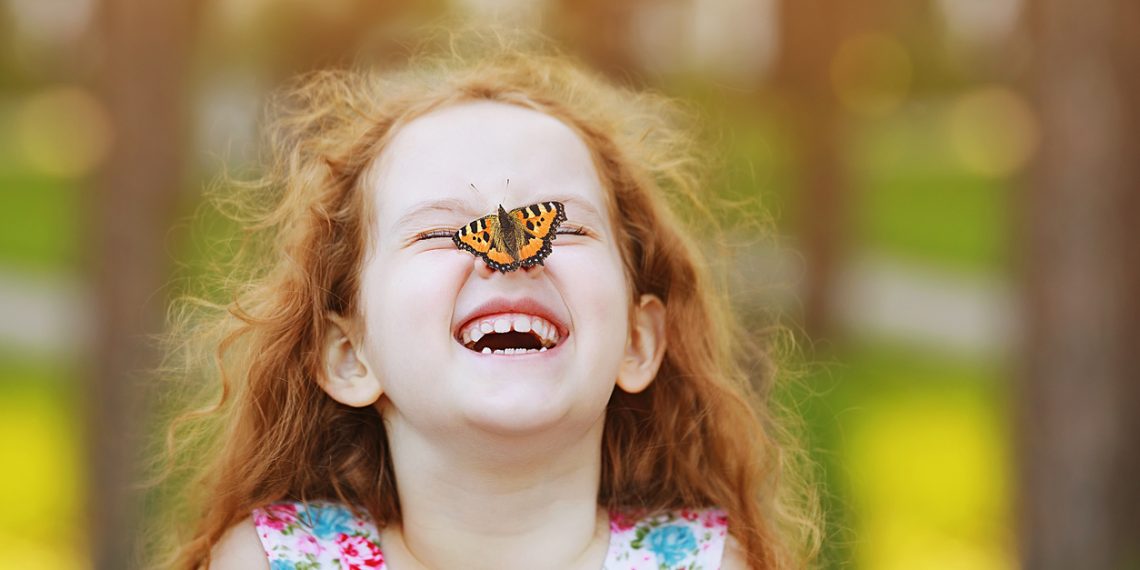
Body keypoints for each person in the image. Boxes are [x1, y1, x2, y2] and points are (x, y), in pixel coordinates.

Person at [150, 31, 820, 570]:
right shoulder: (275, 561)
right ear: (349, 355)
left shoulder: (704, 564)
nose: (512, 255)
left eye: (561, 226)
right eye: (441, 232)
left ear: (638, 341)